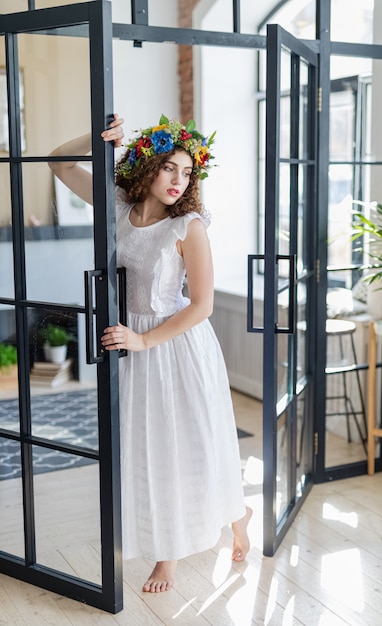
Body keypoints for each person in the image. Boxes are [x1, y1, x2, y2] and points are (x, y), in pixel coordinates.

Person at [48, 114, 252, 594]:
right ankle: (192, 536)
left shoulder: (189, 226)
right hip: (131, 344)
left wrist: (143, 340)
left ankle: (199, 537)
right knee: (150, 449)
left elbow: (201, 305)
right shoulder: (119, 206)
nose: (180, 182)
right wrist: (101, 135)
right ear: (146, 167)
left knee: (193, 445)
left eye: (188, 173)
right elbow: (58, 162)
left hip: (176, 344)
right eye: (170, 169)